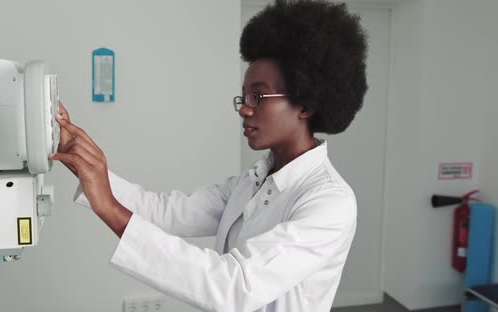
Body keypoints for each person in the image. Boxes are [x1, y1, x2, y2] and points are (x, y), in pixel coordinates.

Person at [50, 0, 368, 311]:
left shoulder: (329, 202)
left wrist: (108, 207)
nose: (244, 108)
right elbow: (165, 213)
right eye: (243, 96)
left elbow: (234, 287)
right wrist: (83, 163)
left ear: (306, 104)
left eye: (258, 96)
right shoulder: (254, 181)